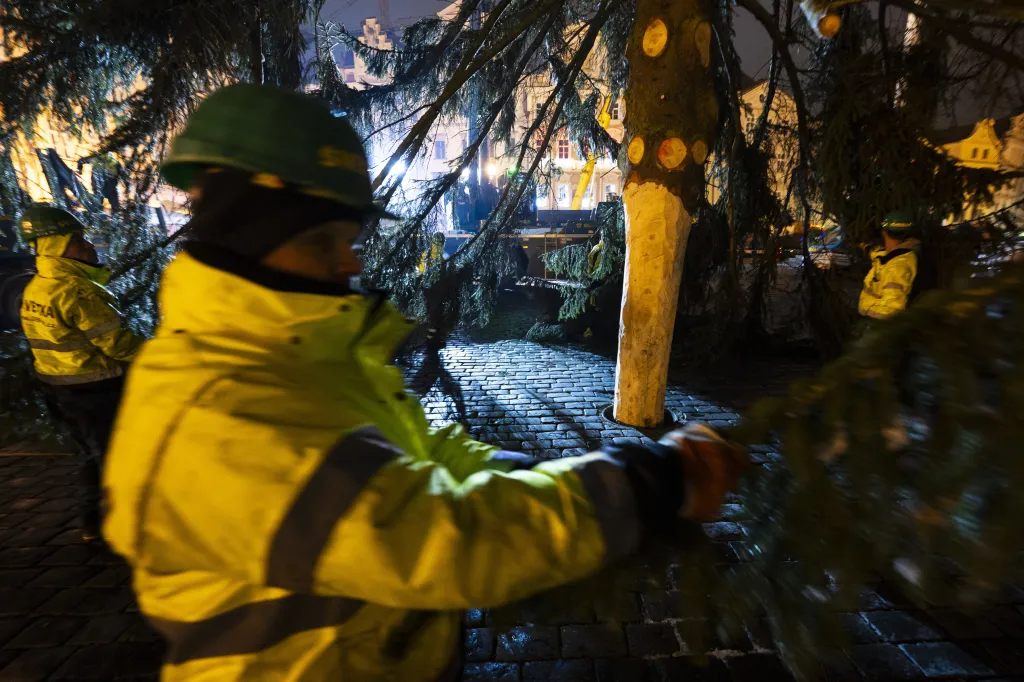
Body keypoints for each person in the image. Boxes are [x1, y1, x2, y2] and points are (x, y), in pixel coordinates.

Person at [102, 83, 747, 682]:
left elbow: (416, 455)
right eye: (326, 240)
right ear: (255, 229)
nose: (350, 261)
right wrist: (646, 483)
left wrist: (525, 470)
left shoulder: (300, 357)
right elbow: (442, 539)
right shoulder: (218, 412)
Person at [18, 204, 143, 540]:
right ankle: (126, 526)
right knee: (116, 458)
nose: (88, 246)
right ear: (55, 247)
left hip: (58, 390)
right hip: (97, 391)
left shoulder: (37, 288)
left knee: (91, 455)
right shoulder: (79, 291)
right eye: (77, 241)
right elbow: (119, 345)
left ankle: (92, 522)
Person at [858, 210, 920, 322]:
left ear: (884, 233)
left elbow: (892, 309)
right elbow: (877, 254)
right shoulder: (891, 255)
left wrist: (872, 326)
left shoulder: (898, 267)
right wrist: (865, 247)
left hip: (876, 325)